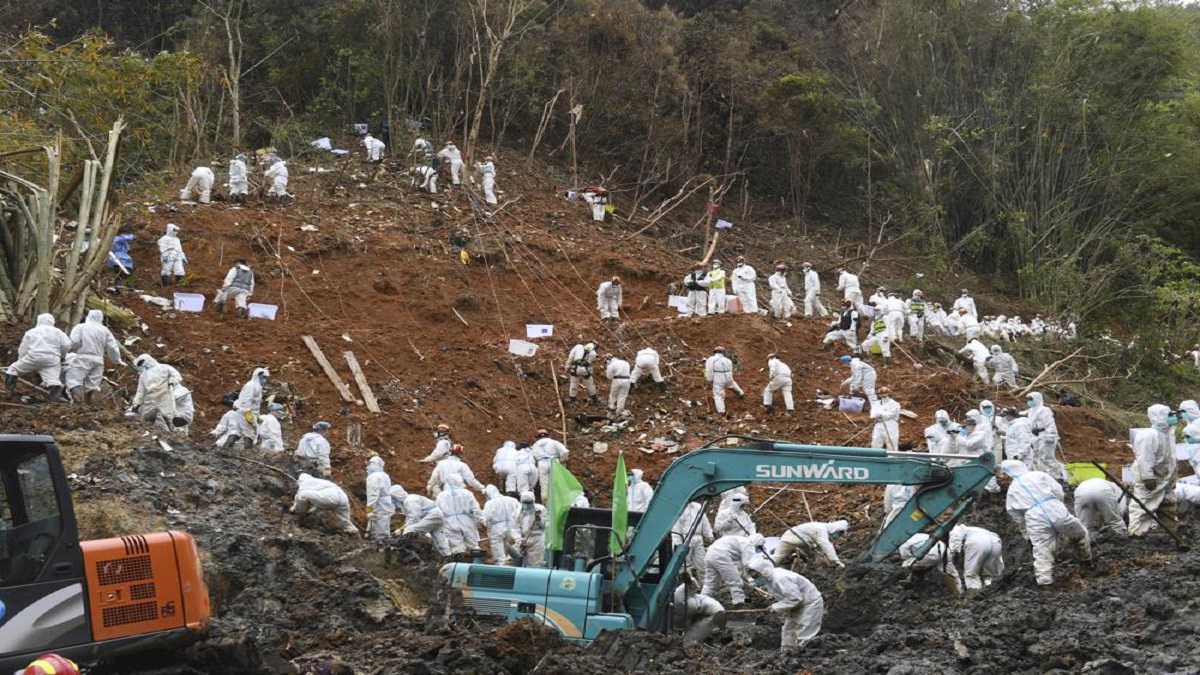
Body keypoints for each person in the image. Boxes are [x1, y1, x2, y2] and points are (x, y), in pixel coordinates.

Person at [1001, 459, 1091, 585]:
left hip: (1033, 517)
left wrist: (1026, 534)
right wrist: (1058, 504)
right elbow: (1058, 490)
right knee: (1079, 532)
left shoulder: (1012, 490)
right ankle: (1086, 560)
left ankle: (1045, 583)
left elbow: (1016, 515)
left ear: (1008, 473)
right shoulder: (1038, 475)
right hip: (1053, 506)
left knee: (1042, 549)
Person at [746, 557, 824, 651]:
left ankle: (805, 656)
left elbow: (795, 598)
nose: (757, 578)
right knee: (788, 631)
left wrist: (775, 607)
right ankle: (786, 655)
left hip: (810, 603)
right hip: (797, 605)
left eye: (757, 575)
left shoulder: (780, 578)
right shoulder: (770, 578)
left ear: (763, 570)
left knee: (805, 632)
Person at [1128, 404, 1180, 537]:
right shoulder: (1148, 435)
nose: (1173, 418)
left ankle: (1170, 531)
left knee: (1168, 503)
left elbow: (1171, 458)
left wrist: (1172, 477)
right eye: (1169, 415)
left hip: (1165, 477)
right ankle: (1136, 533)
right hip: (1151, 478)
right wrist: (1148, 477)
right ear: (1159, 416)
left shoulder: (1169, 434)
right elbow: (1144, 458)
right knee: (1143, 505)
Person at [5, 313, 71, 402]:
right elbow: (66, 345)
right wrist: (62, 356)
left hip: (34, 357)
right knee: (53, 381)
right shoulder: (59, 332)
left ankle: (9, 393)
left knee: (12, 370)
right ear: (52, 321)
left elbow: (24, 348)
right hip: (52, 360)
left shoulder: (32, 332)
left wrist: (22, 360)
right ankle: (55, 403)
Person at [63, 310, 122, 404]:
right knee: (93, 386)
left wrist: (69, 350)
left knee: (74, 380)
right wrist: (116, 360)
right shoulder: (105, 330)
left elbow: (74, 342)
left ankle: (79, 404)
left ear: (88, 316)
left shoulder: (80, 327)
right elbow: (112, 347)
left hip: (83, 358)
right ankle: (93, 407)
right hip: (99, 360)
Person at [702, 534, 766, 606]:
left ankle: (702, 602)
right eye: (759, 547)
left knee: (710, 583)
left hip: (710, 554)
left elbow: (742, 568)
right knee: (735, 582)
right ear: (757, 543)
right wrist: (758, 579)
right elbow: (748, 565)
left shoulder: (741, 541)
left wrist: (750, 580)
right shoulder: (748, 545)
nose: (758, 549)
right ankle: (739, 603)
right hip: (721, 555)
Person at [127, 354, 188, 428]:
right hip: (150, 400)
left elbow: (177, 376)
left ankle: (175, 435)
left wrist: (173, 381)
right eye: (140, 364)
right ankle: (151, 435)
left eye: (142, 362)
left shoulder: (164, 368)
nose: (143, 365)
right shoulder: (143, 375)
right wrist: (136, 404)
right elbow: (140, 392)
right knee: (146, 420)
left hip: (164, 397)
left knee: (169, 418)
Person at [292, 473, 358, 535]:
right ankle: (354, 534)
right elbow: (318, 500)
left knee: (302, 495)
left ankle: (301, 515)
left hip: (330, 496)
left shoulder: (304, 483)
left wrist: (296, 510)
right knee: (345, 522)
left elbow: (299, 496)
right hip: (343, 497)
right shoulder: (319, 482)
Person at [898, 533, 962, 595]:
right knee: (951, 573)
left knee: (906, 564)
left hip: (932, 554)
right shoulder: (918, 535)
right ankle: (960, 592)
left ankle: (905, 584)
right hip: (945, 550)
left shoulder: (904, 542)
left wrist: (916, 566)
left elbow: (905, 556)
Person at [393, 486, 450, 555]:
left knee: (409, 530)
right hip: (436, 516)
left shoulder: (410, 500)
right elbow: (410, 518)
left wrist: (402, 529)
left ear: (396, 496)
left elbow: (414, 518)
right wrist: (401, 528)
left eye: (392, 498)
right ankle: (447, 556)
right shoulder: (407, 502)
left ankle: (408, 553)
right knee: (439, 541)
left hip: (432, 516)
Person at [223, 367, 269, 450]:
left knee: (237, 431)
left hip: (247, 411)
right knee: (250, 433)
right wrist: (247, 414)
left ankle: (225, 449)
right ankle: (248, 452)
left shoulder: (257, 386)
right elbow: (246, 400)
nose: (264, 380)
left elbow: (255, 403)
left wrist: (257, 414)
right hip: (245, 411)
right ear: (257, 376)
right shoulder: (251, 386)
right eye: (263, 377)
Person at [437, 474, 484, 555]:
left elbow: (438, 512)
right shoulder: (467, 493)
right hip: (467, 521)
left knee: (456, 547)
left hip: (449, 522)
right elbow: (475, 508)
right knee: (472, 545)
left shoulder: (441, 496)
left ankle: (461, 563)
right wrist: (481, 520)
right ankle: (476, 562)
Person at [770, 520, 848, 568]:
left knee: (807, 556)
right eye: (839, 533)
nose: (838, 536)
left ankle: (800, 566)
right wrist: (835, 560)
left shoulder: (823, 528)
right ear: (836, 529)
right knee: (778, 557)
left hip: (803, 542)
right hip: (790, 539)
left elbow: (821, 546)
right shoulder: (821, 529)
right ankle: (764, 570)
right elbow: (826, 545)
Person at [948, 524, 1004, 590]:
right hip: (996, 542)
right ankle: (991, 590)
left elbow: (956, 551)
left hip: (977, 543)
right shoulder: (970, 529)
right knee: (990, 574)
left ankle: (975, 594)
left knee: (971, 575)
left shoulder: (954, 532)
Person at [1026, 392, 1063, 478]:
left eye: (1031, 399)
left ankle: (1057, 476)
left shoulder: (1043, 410)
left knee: (1047, 458)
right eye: (1028, 399)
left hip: (1044, 435)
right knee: (1036, 457)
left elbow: (1049, 424)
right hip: (1035, 436)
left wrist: (1050, 436)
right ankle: (1042, 476)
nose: (1029, 401)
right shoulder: (1031, 411)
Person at [672, 501, 714, 576]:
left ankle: (705, 585)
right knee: (685, 565)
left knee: (702, 563)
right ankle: (688, 584)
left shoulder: (698, 506)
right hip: (685, 538)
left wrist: (709, 534)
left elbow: (704, 521)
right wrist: (677, 543)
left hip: (698, 537)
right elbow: (676, 528)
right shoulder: (680, 508)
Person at [481, 485, 520, 564]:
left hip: (497, 529)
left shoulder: (490, 503)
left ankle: (501, 566)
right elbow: (520, 512)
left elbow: (485, 518)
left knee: (499, 553)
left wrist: (484, 525)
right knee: (512, 547)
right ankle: (515, 562)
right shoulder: (512, 500)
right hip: (512, 527)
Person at [530, 429, 569, 501]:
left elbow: (533, 457)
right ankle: (557, 501)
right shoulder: (553, 442)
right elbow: (565, 451)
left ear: (538, 437)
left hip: (541, 463)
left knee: (544, 484)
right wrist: (562, 460)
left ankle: (545, 502)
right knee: (556, 482)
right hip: (553, 461)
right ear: (547, 435)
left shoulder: (535, 445)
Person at [704, 346, 744, 416]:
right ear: (723, 352)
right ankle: (741, 393)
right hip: (728, 377)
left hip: (718, 378)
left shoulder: (711, 359)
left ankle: (721, 412)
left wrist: (709, 379)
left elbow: (709, 371)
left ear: (714, 352)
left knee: (718, 395)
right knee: (731, 385)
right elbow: (731, 371)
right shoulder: (728, 360)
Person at [513, 491, 547, 567]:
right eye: (525, 502)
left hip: (537, 540)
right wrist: (519, 541)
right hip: (524, 540)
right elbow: (515, 528)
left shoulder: (541, 510)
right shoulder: (517, 512)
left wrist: (539, 519)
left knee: (536, 563)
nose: (527, 505)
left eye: (529, 502)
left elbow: (545, 525)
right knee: (522, 563)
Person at [365, 456, 395, 539]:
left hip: (380, 506)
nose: (368, 466)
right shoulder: (384, 475)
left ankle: (380, 546)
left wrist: (369, 510)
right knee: (384, 527)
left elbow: (373, 495)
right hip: (386, 504)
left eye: (370, 464)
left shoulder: (374, 477)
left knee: (379, 530)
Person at [869, 387, 901, 452]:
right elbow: (872, 414)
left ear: (888, 393)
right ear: (879, 394)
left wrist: (881, 414)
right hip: (879, 424)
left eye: (885, 393)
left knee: (891, 441)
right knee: (876, 440)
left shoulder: (895, 404)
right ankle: (875, 457)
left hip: (890, 424)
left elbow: (892, 414)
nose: (883, 395)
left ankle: (893, 457)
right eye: (882, 393)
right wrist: (877, 415)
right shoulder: (876, 403)